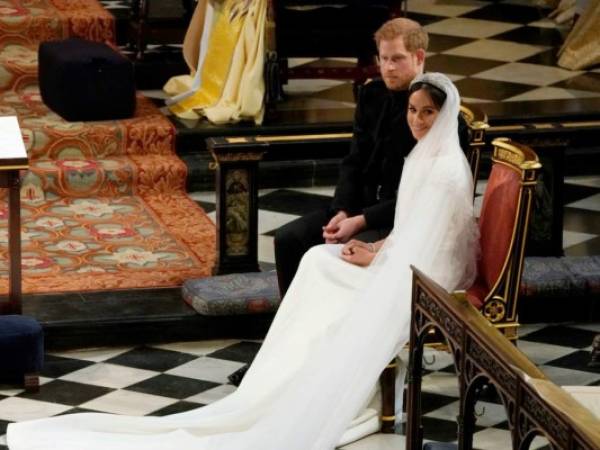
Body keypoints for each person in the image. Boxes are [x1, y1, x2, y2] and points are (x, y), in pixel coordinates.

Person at [7, 73, 479, 450]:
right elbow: (409, 230)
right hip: (403, 257)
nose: (417, 120)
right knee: (317, 259)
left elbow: (429, 245)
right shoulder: (425, 153)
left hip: (424, 278)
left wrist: (374, 259)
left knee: (321, 268)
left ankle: (308, 386)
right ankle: (278, 380)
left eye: (427, 113)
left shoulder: (443, 169)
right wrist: (374, 249)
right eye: (414, 111)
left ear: (444, 115)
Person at [274, 18, 469, 296]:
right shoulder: (371, 94)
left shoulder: (439, 115)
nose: (388, 67)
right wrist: (342, 210)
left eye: (397, 59)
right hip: (355, 208)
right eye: (383, 58)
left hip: (393, 221)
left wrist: (361, 220)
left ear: (419, 57)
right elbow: (354, 160)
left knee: (335, 259)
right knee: (288, 239)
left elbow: (424, 197)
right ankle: (290, 321)